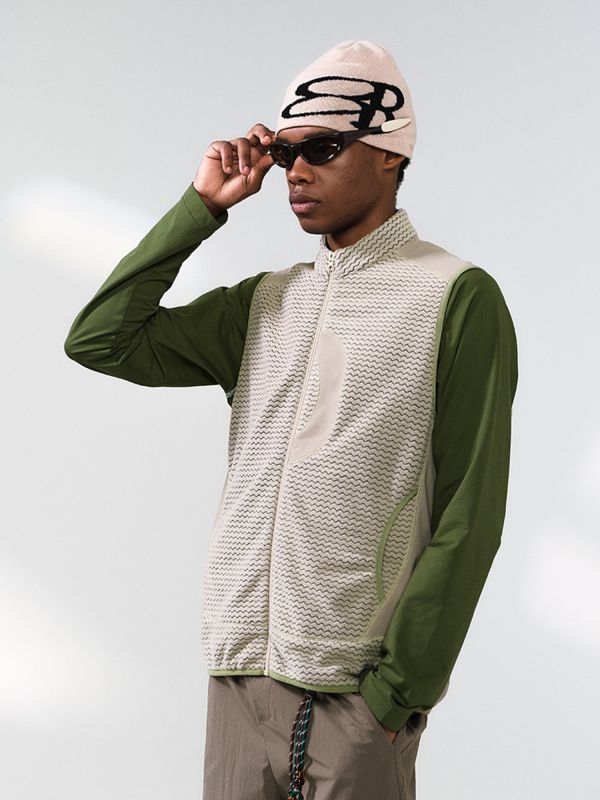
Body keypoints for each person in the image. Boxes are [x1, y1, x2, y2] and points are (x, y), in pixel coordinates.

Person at [64, 39, 518, 800]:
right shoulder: (264, 302)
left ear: (391, 153)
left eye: (322, 149)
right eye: (284, 152)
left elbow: (470, 512)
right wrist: (202, 207)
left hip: (355, 695)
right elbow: (101, 339)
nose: (296, 171)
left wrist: (396, 696)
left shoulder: (455, 294)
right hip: (238, 680)